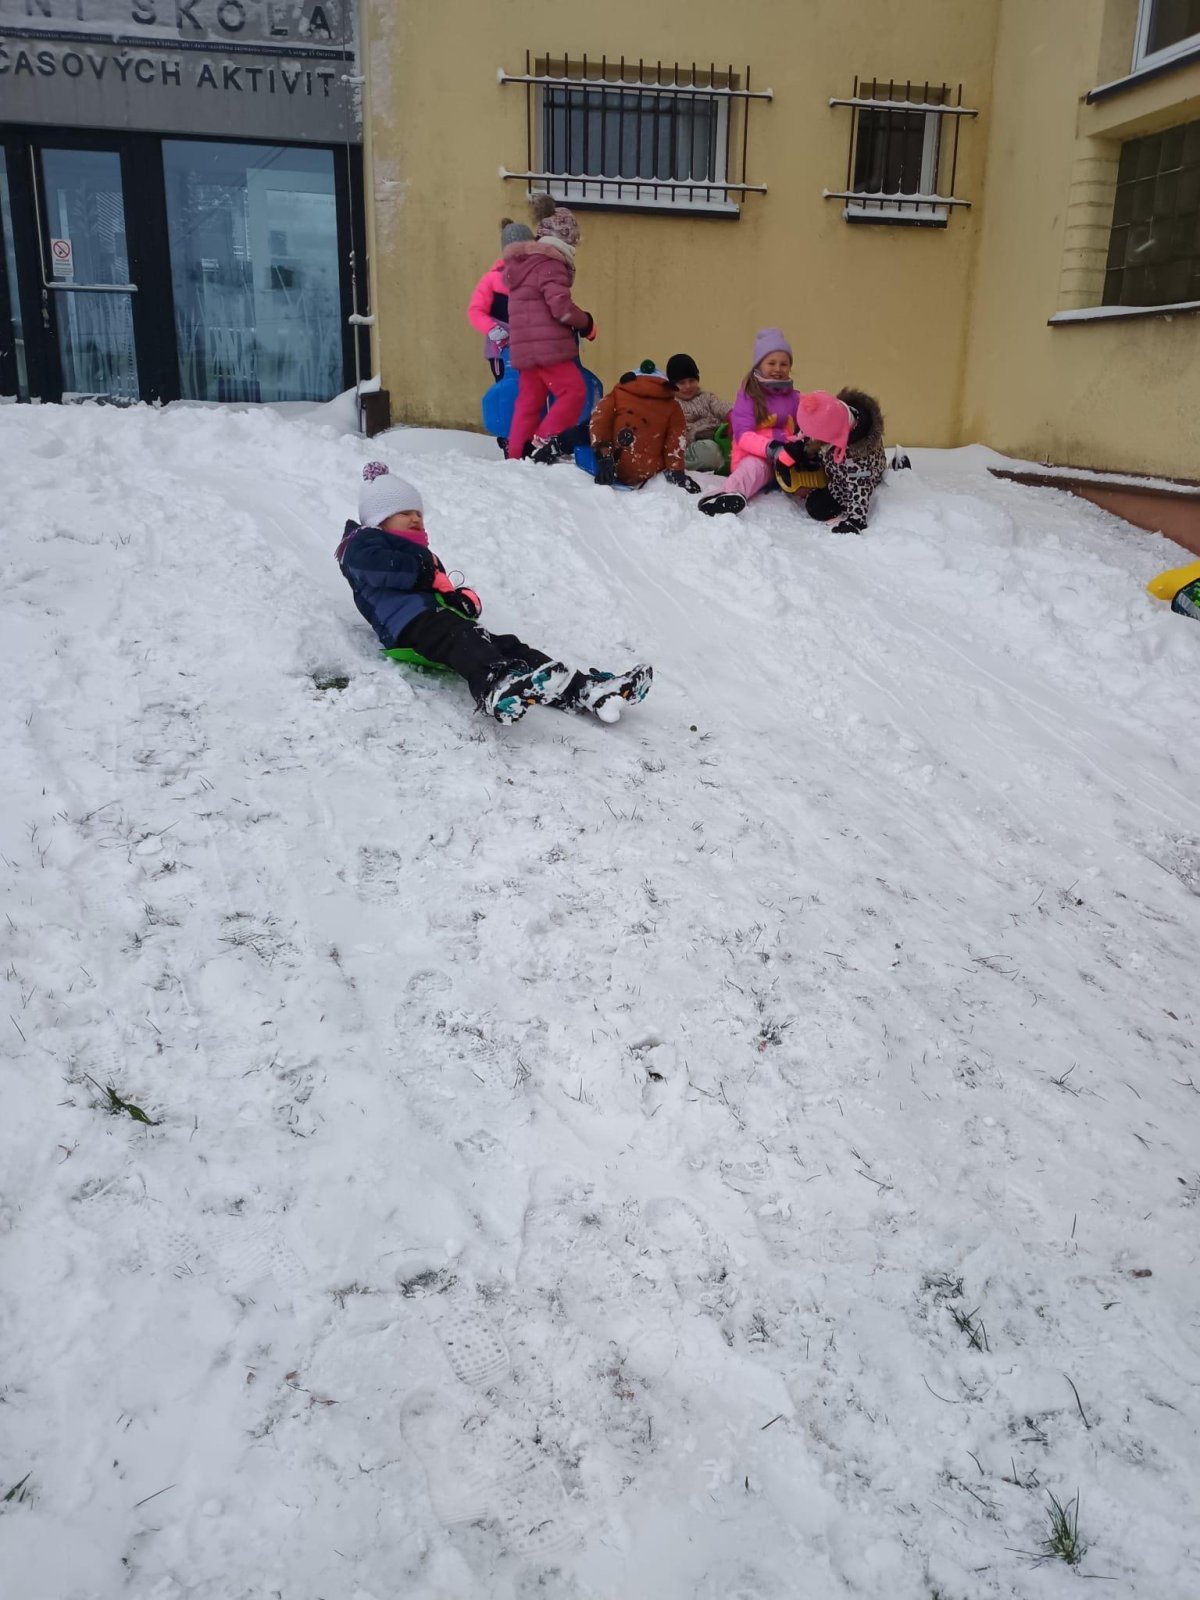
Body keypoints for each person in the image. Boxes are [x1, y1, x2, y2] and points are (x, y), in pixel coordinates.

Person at [336, 463, 652, 726]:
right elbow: (373, 567)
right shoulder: (362, 542)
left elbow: (434, 589)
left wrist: (459, 600)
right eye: (405, 512)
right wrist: (425, 572)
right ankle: (494, 686)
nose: (416, 518)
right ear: (379, 518)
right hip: (408, 625)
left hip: (436, 619)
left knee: (507, 645)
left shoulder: (421, 555)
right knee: (462, 637)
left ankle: (584, 690)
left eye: (418, 512)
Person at [502, 195, 595, 464]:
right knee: (574, 391)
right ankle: (544, 443)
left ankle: (516, 455)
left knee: (529, 402)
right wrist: (586, 322)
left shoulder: (525, 264)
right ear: (564, 239)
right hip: (548, 346)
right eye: (573, 241)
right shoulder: (550, 263)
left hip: (525, 347)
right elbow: (560, 307)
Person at [697, 328, 801, 517]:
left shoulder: (793, 397)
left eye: (784, 364)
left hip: (784, 459)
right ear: (759, 365)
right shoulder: (749, 395)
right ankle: (726, 495)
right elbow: (743, 435)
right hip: (756, 457)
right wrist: (770, 448)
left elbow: (803, 424)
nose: (778, 369)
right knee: (754, 469)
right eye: (771, 363)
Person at [786, 389, 888, 534]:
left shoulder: (858, 458)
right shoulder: (838, 416)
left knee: (817, 507)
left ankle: (900, 466)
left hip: (853, 482)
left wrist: (856, 520)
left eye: (814, 438)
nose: (810, 438)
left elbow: (859, 488)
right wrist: (806, 453)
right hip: (836, 467)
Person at [589, 360, 700, 492]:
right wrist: (676, 472)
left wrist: (604, 454)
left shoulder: (617, 394)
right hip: (648, 473)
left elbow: (600, 421)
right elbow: (675, 442)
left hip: (613, 464)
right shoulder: (673, 407)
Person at [467, 218, 534, 381]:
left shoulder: (536, 277)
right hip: (501, 353)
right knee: (508, 390)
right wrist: (492, 329)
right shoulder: (491, 280)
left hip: (532, 351)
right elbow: (476, 310)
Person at [665, 353, 730, 473]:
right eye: (682, 383)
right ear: (672, 385)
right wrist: (695, 433)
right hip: (695, 446)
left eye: (692, 380)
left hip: (717, 438)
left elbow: (721, 407)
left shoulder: (706, 397)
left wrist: (733, 414)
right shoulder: (672, 405)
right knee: (709, 451)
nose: (688, 386)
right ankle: (676, 464)